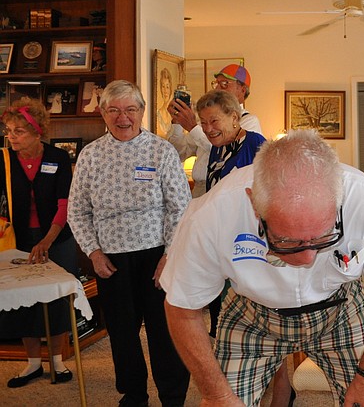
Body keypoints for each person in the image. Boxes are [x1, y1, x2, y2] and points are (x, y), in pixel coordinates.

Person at [160, 129, 364, 407]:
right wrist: (216, 394)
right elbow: (182, 309)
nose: (308, 258)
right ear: (254, 204)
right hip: (251, 317)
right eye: (286, 241)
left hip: (340, 311)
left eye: (323, 238)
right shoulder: (210, 214)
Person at [67, 80, 191, 407]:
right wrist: (93, 252)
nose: (123, 117)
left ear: (142, 112)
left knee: (165, 333)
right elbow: (77, 210)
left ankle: (173, 397)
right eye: (114, 110)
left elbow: (181, 206)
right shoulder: (90, 155)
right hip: (111, 260)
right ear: (103, 114)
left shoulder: (161, 150)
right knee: (122, 336)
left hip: (157, 258)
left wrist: (170, 256)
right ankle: (133, 396)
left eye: (130, 109)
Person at [0, 100, 76, 388]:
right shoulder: (4, 160)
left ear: (37, 131)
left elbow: (64, 203)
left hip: (56, 237)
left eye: (18, 131)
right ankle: (32, 364)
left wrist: (47, 241)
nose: (12, 136)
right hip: (16, 240)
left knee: (56, 298)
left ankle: (57, 361)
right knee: (22, 299)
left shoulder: (57, 157)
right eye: (8, 130)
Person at [195, 88, 266, 339]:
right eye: (203, 123)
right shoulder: (218, 148)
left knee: (249, 311)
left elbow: (267, 192)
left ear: (234, 118)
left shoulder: (255, 144)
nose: (208, 128)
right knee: (220, 309)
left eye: (214, 121)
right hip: (221, 236)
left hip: (247, 238)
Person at [167, 64, 263, 197]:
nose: (218, 88)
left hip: (230, 194)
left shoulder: (249, 123)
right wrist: (177, 122)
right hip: (202, 189)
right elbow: (178, 153)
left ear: (242, 89)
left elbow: (228, 150)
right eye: (216, 83)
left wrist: (192, 127)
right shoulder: (204, 125)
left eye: (225, 83)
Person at [156, 67, 174, 137]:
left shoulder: (176, 113)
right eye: (163, 86)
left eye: (167, 87)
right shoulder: (158, 113)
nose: (165, 91)